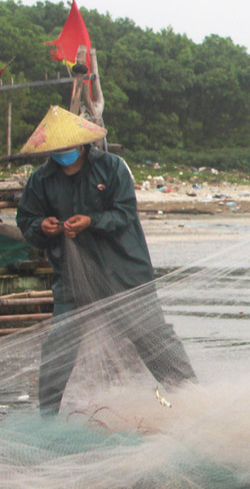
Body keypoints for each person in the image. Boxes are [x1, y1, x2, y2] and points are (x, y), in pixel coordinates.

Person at [14, 106, 198, 415]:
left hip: (122, 268)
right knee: (61, 341)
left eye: (67, 149)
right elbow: (27, 220)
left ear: (81, 145)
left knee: (149, 334)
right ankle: (47, 417)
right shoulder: (41, 179)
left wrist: (91, 221)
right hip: (72, 274)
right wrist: (41, 227)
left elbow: (124, 213)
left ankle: (192, 397)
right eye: (56, 150)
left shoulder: (112, 168)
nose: (62, 155)